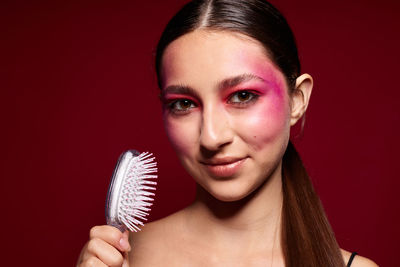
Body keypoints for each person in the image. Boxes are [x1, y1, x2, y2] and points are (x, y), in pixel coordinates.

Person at [77, 0, 378, 266]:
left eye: (242, 96)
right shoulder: (121, 257)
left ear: (297, 100)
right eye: (184, 104)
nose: (211, 137)